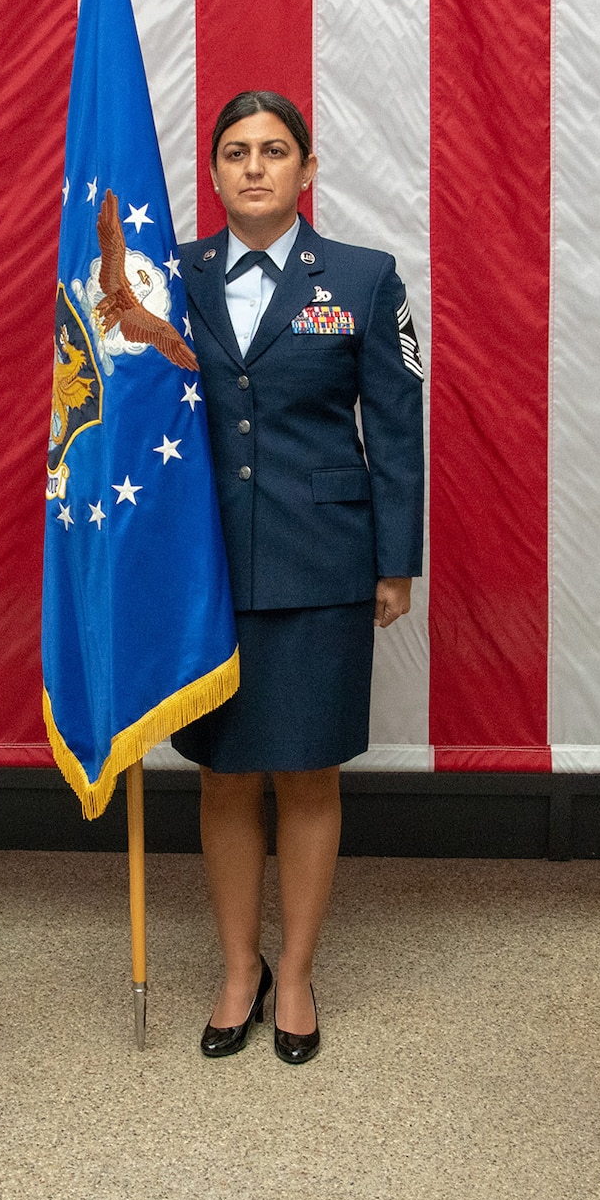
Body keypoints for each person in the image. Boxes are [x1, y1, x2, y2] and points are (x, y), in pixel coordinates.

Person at [171, 91, 425, 1064]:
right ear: (213, 170)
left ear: (305, 170)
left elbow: (394, 427)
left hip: (321, 557)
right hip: (205, 564)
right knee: (227, 774)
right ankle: (239, 967)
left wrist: (393, 560)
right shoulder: (166, 276)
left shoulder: (362, 279)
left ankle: (300, 969)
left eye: (273, 151)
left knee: (307, 770)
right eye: (233, 152)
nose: (252, 168)